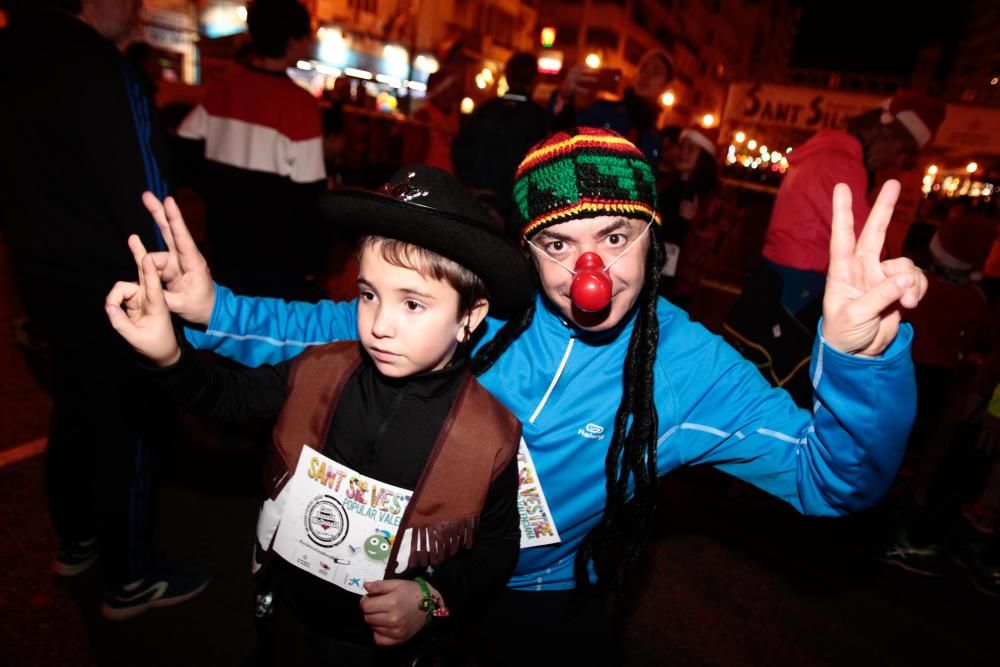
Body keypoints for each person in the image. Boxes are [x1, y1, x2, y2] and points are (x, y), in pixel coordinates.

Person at [142, 127, 926, 663]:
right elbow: (331, 336)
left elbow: (832, 480)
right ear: (530, 251)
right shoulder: (491, 309)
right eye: (559, 243)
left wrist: (861, 362)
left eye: (615, 237)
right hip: (412, 575)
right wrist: (215, 311)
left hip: (545, 609)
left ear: (654, 238)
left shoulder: (690, 367)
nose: (590, 274)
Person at [105, 166, 530, 663]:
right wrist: (168, 358)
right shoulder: (320, 371)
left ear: (470, 316)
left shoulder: (488, 436)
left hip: (386, 648)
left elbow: (498, 547)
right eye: (369, 294)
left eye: (413, 304)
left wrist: (431, 599)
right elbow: (227, 397)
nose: (380, 326)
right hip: (287, 613)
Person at [0, 0, 209, 620]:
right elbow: (147, 192)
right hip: (116, 284)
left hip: (41, 276)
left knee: (75, 404)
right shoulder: (96, 64)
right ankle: (132, 576)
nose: (141, 6)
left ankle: (77, 541)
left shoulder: (11, 49)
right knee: (135, 418)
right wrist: (176, 286)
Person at [726, 90, 946, 405]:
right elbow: (865, 248)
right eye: (902, 149)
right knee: (780, 389)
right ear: (884, 130)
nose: (897, 161)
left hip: (777, 278)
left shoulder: (824, 152)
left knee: (756, 376)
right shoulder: (842, 164)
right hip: (801, 286)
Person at [177, 0, 325, 300]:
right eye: (306, 35)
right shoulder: (300, 106)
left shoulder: (225, 87)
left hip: (224, 243)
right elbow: (311, 196)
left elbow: (183, 148)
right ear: (293, 41)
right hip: (278, 258)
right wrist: (315, 262)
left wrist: (218, 190)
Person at [451, 51, 549, 234]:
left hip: (483, 200)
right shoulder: (539, 118)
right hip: (519, 206)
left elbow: (459, 148)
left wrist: (471, 185)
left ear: (507, 76)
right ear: (535, 79)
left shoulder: (486, 110)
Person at [551, 49, 674, 164]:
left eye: (656, 72)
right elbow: (562, 132)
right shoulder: (604, 110)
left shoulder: (655, 139)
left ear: (666, 86)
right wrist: (564, 96)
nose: (646, 75)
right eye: (643, 69)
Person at [658, 124, 730, 308]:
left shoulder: (712, 198)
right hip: (653, 275)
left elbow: (719, 246)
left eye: (691, 148)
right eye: (682, 146)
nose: (683, 153)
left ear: (703, 157)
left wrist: (696, 221)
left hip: (683, 286)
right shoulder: (663, 186)